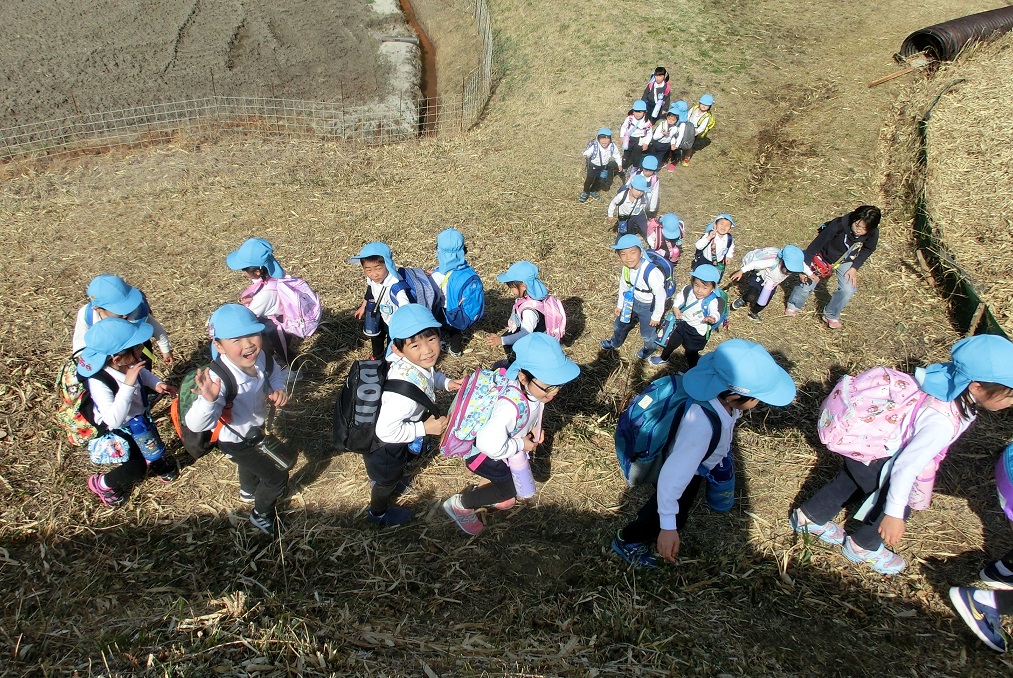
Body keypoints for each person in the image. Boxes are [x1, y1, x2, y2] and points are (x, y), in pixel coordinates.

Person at [791, 335, 1013, 575]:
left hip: (868, 443)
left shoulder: (943, 380)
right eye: (1009, 395)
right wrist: (894, 514)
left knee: (851, 480)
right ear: (976, 387)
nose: (1012, 401)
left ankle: (809, 517)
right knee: (897, 497)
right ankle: (863, 545)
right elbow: (906, 467)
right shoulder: (943, 421)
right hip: (883, 456)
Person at [612, 339, 796, 568]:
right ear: (733, 397)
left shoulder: (717, 395)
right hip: (685, 470)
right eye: (757, 399)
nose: (758, 404)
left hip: (693, 465)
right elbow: (673, 476)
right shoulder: (701, 426)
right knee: (665, 508)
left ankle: (669, 519)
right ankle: (630, 539)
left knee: (678, 501)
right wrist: (668, 526)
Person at [443, 333, 580, 535]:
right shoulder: (509, 407)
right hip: (481, 453)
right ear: (524, 377)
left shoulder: (533, 391)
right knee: (508, 490)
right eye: (549, 386)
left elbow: (536, 406)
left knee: (503, 483)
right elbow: (487, 443)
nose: (554, 392)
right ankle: (460, 504)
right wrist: (520, 445)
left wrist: (535, 427)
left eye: (558, 385)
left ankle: (490, 487)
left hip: (502, 444)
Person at [186, 304, 290, 537]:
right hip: (233, 439)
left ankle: (248, 490)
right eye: (236, 340)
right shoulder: (218, 380)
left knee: (251, 462)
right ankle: (260, 514)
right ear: (218, 345)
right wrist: (209, 401)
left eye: (253, 335)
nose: (248, 345)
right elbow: (196, 425)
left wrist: (278, 388)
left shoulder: (261, 356)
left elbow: (274, 372)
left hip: (255, 429)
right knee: (277, 477)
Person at [367, 304, 461, 526]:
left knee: (398, 466)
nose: (427, 350)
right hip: (383, 446)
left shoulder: (412, 364)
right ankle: (377, 513)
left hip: (395, 438)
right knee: (385, 480)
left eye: (431, 339)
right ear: (398, 349)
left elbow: (429, 377)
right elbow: (385, 431)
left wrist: (446, 383)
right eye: (415, 345)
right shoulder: (403, 399)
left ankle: (394, 480)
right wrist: (425, 429)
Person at [79, 318, 180, 507]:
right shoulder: (99, 381)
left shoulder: (129, 363)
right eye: (138, 347)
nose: (142, 349)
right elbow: (113, 419)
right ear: (117, 359)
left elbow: (143, 374)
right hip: (120, 430)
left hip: (138, 418)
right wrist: (128, 385)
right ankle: (101, 483)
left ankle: (155, 460)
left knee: (151, 440)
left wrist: (158, 384)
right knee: (136, 468)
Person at [785, 205, 881, 329]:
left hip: (845, 260)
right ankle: (794, 305)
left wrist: (854, 267)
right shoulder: (838, 225)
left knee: (848, 289)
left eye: (863, 229)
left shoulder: (872, 232)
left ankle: (831, 315)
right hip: (822, 257)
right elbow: (815, 246)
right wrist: (805, 268)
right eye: (857, 225)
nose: (858, 230)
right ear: (853, 219)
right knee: (807, 282)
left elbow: (868, 249)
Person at [72, 274, 173, 367]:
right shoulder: (87, 315)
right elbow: (79, 343)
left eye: (128, 306)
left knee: (143, 375)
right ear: (97, 308)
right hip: (109, 359)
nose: (126, 313)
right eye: (119, 310)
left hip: (137, 351)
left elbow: (156, 329)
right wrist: (91, 364)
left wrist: (165, 350)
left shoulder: (136, 310)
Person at [227, 237, 296, 365]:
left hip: (276, 326)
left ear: (257, 272)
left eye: (244, 270)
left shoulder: (267, 293)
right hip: (269, 321)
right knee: (270, 345)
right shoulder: (269, 278)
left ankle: (295, 370)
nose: (243, 273)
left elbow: (249, 314)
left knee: (283, 350)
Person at [600, 234, 667, 361]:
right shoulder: (626, 269)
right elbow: (623, 287)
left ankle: (649, 347)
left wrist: (656, 316)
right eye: (623, 254)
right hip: (632, 301)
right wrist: (620, 305)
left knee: (647, 334)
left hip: (648, 306)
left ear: (641, 253)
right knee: (619, 325)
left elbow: (660, 295)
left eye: (632, 252)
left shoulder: (651, 273)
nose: (628, 258)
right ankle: (615, 342)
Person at [650, 264, 722, 368]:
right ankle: (663, 358)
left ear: (712, 288)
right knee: (671, 343)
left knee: (691, 352)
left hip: (697, 331)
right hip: (683, 324)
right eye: (696, 285)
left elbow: (715, 312)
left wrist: (712, 318)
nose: (699, 290)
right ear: (693, 282)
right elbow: (680, 298)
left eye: (704, 287)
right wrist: (675, 307)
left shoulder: (711, 301)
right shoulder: (689, 290)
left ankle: (692, 370)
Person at [350, 242, 411, 359]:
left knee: (392, 340)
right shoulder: (371, 279)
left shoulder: (395, 284)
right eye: (368, 270)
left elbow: (404, 303)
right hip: (382, 314)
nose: (374, 274)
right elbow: (370, 291)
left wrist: (404, 320)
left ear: (387, 265)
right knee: (376, 336)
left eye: (378, 268)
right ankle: (377, 356)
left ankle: (390, 358)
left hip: (394, 320)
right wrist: (363, 306)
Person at [431, 228, 484, 357]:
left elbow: (432, 294)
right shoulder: (466, 269)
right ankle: (456, 350)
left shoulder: (438, 275)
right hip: (459, 310)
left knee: (440, 325)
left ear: (439, 252)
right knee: (456, 330)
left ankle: (439, 342)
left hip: (446, 308)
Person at [728, 245, 810, 323]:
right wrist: (741, 271)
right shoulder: (772, 262)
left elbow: (804, 267)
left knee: (764, 301)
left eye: (792, 271)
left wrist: (810, 274)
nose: (789, 272)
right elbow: (754, 264)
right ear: (782, 261)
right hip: (760, 278)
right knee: (752, 295)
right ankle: (743, 299)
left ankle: (754, 312)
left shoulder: (793, 267)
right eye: (788, 269)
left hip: (772, 284)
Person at [485, 261, 551, 357]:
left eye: (512, 287)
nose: (511, 290)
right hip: (532, 336)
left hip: (532, 346)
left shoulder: (529, 311)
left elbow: (525, 333)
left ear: (524, 286)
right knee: (507, 338)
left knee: (513, 351)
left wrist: (501, 341)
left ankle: (518, 368)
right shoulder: (535, 295)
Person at [580, 128, 622, 203]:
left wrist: (619, 164)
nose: (604, 141)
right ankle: (585, 192)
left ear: (610, 139)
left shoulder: (612, 147)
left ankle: (593, 190)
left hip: (603, 167)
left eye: (607, 138)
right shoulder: (595, 146)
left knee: (599, 179)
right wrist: (585, 155)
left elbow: (617, 155)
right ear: (598, 139)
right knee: (589, 179)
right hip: (594, 166)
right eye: (602, 138)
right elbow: (588, 152)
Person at [692, 214, 736, 280]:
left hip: (718, 262)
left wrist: (729, 256)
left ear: (730, 229)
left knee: (714, 277)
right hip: (705, 260)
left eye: (727, 225)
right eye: (722, 223)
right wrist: (709, 238)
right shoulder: (709, 235)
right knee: (700, 276)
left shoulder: (729, 238)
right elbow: (698, 246)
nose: (724, 227)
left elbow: (730, 247)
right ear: (715, 226)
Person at [647, 103, 690, 170]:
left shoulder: (676, 128)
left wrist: (673, 144)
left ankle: (654, 169)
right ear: (667, 117)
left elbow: (672, 137)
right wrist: (662, 134)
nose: (671, 121)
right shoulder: (662, 124)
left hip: (665, 146)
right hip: (657, 144)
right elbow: (655, 137)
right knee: (650, 156)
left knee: (659, 158)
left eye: (673, 120)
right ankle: (646, 166)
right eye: (669, 119)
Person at [619, 100, 653, 174]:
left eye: (640, 112)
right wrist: (622, 136)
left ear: (644, 112)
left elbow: (649, 133)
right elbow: (623, 127)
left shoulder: (647, 122)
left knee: (637, 156)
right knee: (626, 154)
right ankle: (624, 168)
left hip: (640, 140)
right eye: (635, 111)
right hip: (629, 139)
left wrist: (646, 143)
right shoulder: (629, 118)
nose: (637, 114)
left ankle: (634, 168)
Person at [682, 94, 716, 165]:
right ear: (699, 103)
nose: (703, 106)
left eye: (706, 105)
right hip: (687, 126)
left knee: (690, 145)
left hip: (694, 131)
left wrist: (696, 132)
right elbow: (688, 115)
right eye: (702, 104)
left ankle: (687, 157)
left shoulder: (706, 116)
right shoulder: (694, 108)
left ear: (709, 107)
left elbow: (702, 127)